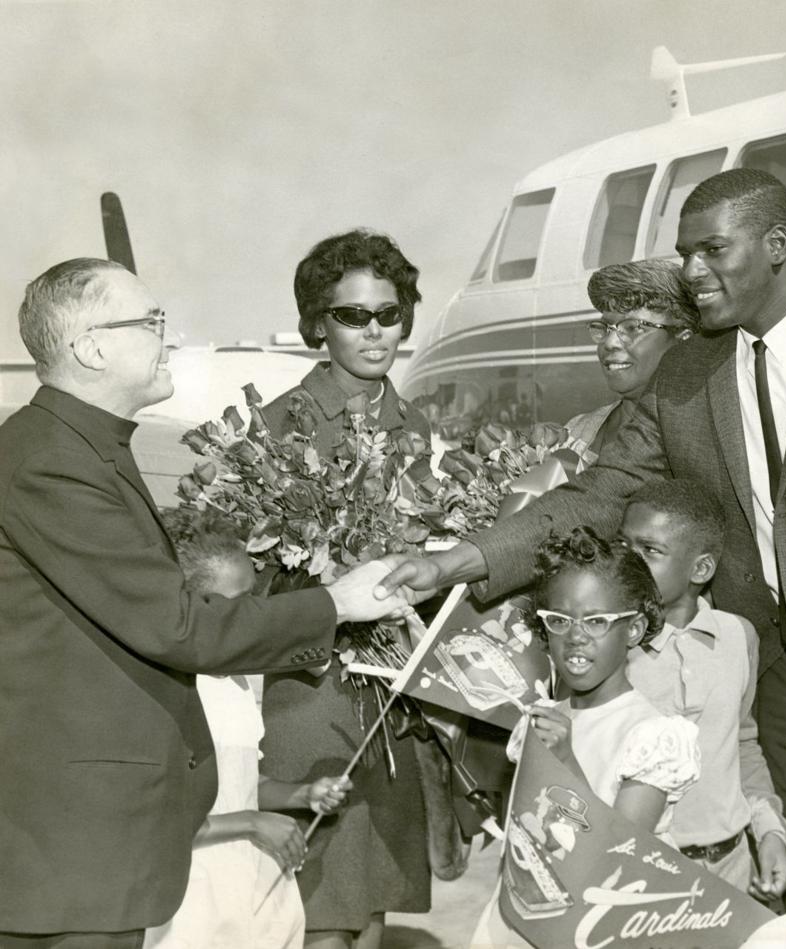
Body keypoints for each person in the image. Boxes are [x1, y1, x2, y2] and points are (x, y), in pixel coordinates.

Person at [377, 168, 786, 940]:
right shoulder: (689, 370)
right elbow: (602, 491)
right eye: (684, 253)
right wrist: (460, 560)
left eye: (713, 249)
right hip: (776, 689)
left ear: (778, 245)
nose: (690, 272)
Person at [0, 258, 410, 946]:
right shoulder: (53, 460)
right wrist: (335, 603)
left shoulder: (80, 447)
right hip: (76, 843)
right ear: (92, 347)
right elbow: (180, 626)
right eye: (151, 321)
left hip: (91, 841)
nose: (172, 337)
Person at [257, 230, 439, 949]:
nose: (374, 332)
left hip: (393, 697)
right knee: (316, 905)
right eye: (351, 316)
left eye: (388, 315)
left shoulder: (422, 432)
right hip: (309, 690)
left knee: (371, 907)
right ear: (316, 324)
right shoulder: (271, 432)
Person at [471, 526, 701, 948]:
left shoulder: (652, 734)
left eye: (596, 621)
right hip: (530, 912)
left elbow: (622, 854)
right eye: (559, 621)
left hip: (600, 923)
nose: (575, 636)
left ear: (632, 630)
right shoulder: (540, 721)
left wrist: (566, 764)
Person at [145, 508, 353, 949]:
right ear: (197, 605)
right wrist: (251, 822)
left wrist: (303, 794)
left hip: (254, 876)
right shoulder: (171, 687)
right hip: (191, 890)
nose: (257, 613)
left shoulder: (240, 679)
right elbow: (158, 816)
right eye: (242, 603)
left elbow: (239, 780)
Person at [618, 479, 786, 897]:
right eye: (623, 547)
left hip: (731, 868)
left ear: (701, 569)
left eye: (650, 551)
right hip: (642, 873)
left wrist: (770, 833)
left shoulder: (738, 637)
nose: (626, 563)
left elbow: (743, 745)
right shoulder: (609, 645)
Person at [565, 259, 698, 460]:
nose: (609, 343)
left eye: (634, 327)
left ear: (683, 340)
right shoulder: (576, 432)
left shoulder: (699, 441)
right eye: (605, 328)